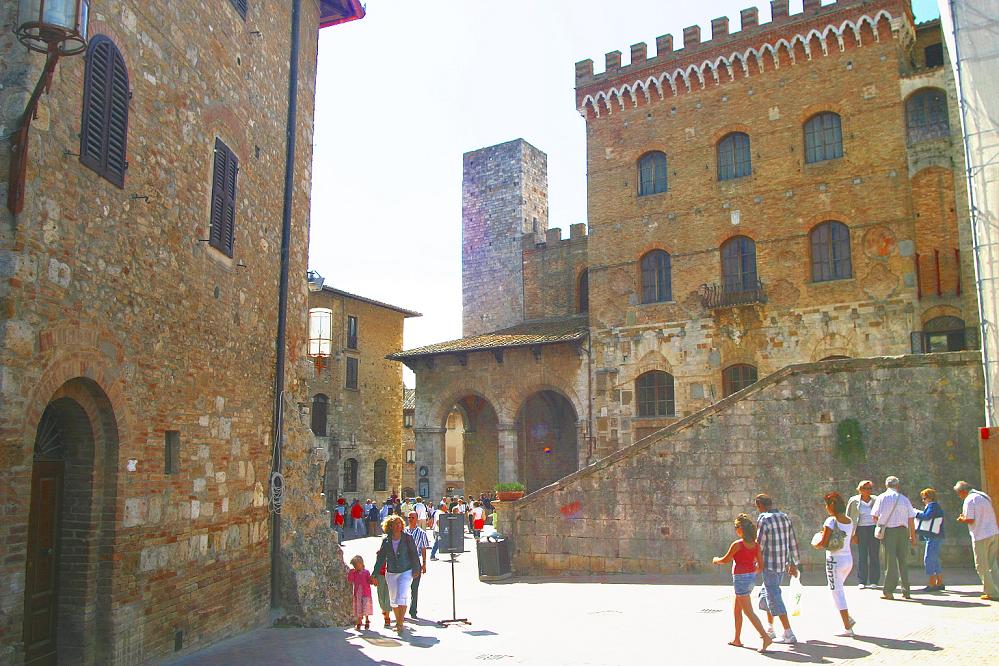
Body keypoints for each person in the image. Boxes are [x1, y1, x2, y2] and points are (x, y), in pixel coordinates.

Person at [712, 513, 773, 654]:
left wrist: (715, 560)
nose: (735, 530)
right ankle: (737, 639)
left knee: (748, 611)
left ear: (741, 529)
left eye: (736, 527)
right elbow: (760, 565)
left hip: (740, 579)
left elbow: (725, 560)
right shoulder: (755, 545)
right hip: (750, 578)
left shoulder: (738, 544)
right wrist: (751, 573)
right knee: (737, 609)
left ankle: (765, 637)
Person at [754, 494, 799, 644]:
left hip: (769, 564)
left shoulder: (763, 519)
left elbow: (759, 544)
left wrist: (755, 562)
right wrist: (794, 563)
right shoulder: (784, 517)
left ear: (760, 505)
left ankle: (788, 632)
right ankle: (770, 629)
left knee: (773, 595)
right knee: (766, 594)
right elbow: (792, 540)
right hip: (782, 563)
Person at [813, 492, 856, 637]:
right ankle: (847, 619)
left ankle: (847, 627)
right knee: (838, 591)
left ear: (831, 505)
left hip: (834, 561)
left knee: (837, 593)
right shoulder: (849, 520)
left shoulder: (831, 521)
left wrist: (815, 544)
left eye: (827, 504)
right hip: (848, 560)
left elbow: (823, 543)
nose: (826, 508)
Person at [372, 515, 421, 633]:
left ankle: (400, 624)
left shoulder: (407, 538)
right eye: (396, 524)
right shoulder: (386, 540)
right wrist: (374, 574)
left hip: (406, 570)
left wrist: (416, 569)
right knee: (393, 599)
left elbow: (414, 554)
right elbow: (381, 558)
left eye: (400, 523)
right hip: (391, 572)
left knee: (402, 596)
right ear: (390, 526)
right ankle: (399, 621)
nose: (398, 525)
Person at [871, 475, 916, 600]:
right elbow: (911, 519)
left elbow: (874, 516)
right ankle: (906, 591)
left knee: (890, 562)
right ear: (898, 485)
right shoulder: (904, 499)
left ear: (886, 485)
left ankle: (889, 591)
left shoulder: (881, 498)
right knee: (903, 561)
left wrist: (881, 523)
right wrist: (913, 536)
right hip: (903, 532)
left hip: (889, 532)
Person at [954, 480, 999, 600]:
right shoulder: (984, 496)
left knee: (981, 566)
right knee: (992, 564)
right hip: (993, 532)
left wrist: (961, 519)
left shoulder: (969, 500)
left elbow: (970, 519)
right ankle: (997, 588)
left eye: (959, 494)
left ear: (963, 491)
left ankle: (992, 593)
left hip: (981, 535)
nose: (959, 496)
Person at [846, 480, 880, 589]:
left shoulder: (876, 500)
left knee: (874, 555)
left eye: (870, 488)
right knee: (862, 555)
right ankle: (862, 580)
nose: (868, 490)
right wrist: (852, 534)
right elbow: (849, 517)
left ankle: (874, 580)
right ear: (860, 489)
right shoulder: (854, 500)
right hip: (860, 530)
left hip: (874, 529)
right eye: (865, 488)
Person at [914, 488, 945, 592]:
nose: (923, 500)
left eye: (924, 498)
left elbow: (927, 517)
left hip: (933, 536)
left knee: (928, 559)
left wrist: (916, 513)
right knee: (935, 559)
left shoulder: (932, 506)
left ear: (929, 497)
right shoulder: (935, 506)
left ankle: (932, 583)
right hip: (936, 535)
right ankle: (939, 582)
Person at [405, 511, 430, 618]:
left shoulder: (421, 533)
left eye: (412, 517)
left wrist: (424, 564)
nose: (410, 519)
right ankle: (402, 610)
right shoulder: (403, 531)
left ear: (417, 519)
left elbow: (423, 549)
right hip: (404, 562)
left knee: (414, 588)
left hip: (415, 562)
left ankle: (413, 610)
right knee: (403, 588)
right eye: (409, 517)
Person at [346, 555, 373, 631]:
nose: (356, 567)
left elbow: (369, 581)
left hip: (366, 593)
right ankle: (359, 621)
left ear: (361, 564)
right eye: (354, 566)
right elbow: (350, 580)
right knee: (358, 608)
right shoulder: (354, 573)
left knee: (366, 607)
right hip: (358, 594)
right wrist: (350, 573)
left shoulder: (366, 572)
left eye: (357, 565)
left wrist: (372, 580)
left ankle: (367, 620)